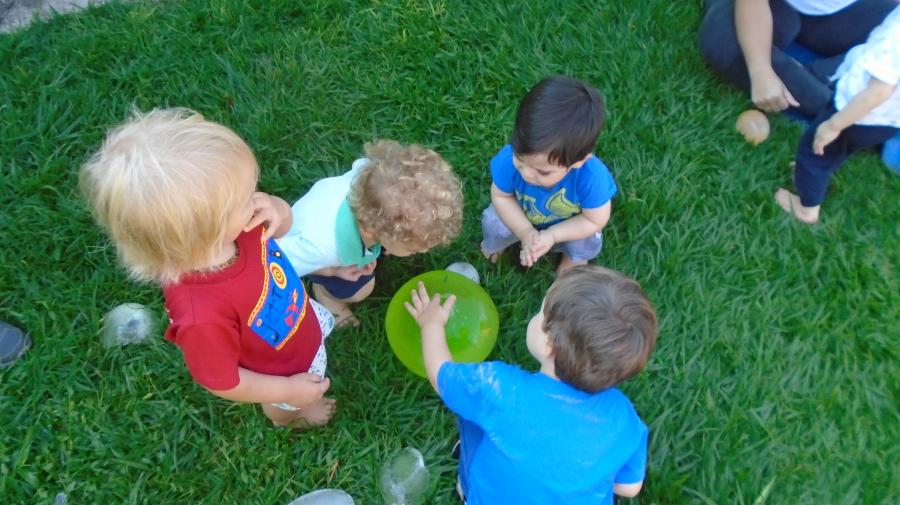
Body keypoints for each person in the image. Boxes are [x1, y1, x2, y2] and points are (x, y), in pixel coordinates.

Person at [80, 108, 336, 429]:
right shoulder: (201, 314)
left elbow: (281, 228)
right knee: (283, 408)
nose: (257, 198)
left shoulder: (241, 224)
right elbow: (223, 381)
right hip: (279, 372)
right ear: (209, 232)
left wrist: (279, 211)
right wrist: (287, 392)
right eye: (246, 197)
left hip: (297, 318)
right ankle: (290, 418)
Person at [404, 265, 657, 504]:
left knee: (473, 422)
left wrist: (431, 325)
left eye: (541, 312)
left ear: (549, 344)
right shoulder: (624, 417)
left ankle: (465, 487)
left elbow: (442, 376)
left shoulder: (500, 390)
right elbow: (630, 487)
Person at [277, 140, 463, 327]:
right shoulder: (322, 248)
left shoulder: (373, 181)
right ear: (373, 230)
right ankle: (326, 295)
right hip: (300, 252)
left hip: (330, 218)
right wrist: (333, 271)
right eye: (411, 249)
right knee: (361, 288)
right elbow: (281, 263)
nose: (423, 251)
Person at [481, 76, 617, 276]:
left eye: (543, 172)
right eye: (520, 158)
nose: (526, 173)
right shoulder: (507, 161)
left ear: (578, 162)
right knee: (494, 221)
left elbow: (593, 220)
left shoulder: (592, 179)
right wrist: (525, 231)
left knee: (587, 238)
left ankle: (573, 258)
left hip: (569, 224)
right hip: (521, 213)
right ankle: (499, 243)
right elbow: (501, 197)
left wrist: (553, 235)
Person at [775, 6, 900, 223]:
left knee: (813, 150)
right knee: (839, 148)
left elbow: (878, 92)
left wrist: (834, 124)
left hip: (858, 113)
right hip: (888, 121)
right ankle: (817, 172)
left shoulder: (895, 38)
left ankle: (806, 209)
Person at [698, 0, 896, 117]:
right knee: (724, 43)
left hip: (834, 14)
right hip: (763, 6)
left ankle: (820, 80)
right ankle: (837, 108)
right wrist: (761, 70)